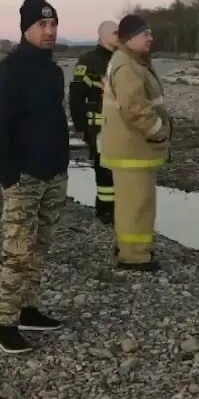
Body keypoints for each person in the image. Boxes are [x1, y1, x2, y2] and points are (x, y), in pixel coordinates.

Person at [0, 0, 69, 353]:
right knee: (18, 250)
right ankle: (4, 324)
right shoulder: (8, 72)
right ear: (26, 29)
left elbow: (54, 121)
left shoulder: (53, 72)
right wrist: (9, 178)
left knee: (40, 246)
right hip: (24, 177)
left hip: (53, 174)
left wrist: (62, 165)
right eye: (42, 25)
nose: (49, 31)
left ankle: (28, 308)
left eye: (53, 25)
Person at [99, 14, 169, 271]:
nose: (151, 38)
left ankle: (129, 248)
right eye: (145, 34)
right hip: (133, 148)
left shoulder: (129, 61)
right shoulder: (127, 65)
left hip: (132, 147)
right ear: (130, 38)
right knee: (137, 205)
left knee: (132, 203)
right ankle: (135, 256)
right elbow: (135, 108)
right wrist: (158, 130)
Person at [68, 20, 119, 225]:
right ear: (102, 35)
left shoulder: (121, 59)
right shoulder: (88, 60)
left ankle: (119, 209)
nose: (119, 36)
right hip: (98, 126)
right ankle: (105, 212)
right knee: (105, 171)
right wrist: (80, 126)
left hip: (121, 127)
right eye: (115, 32)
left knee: (120, 170)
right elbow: (76, 94)